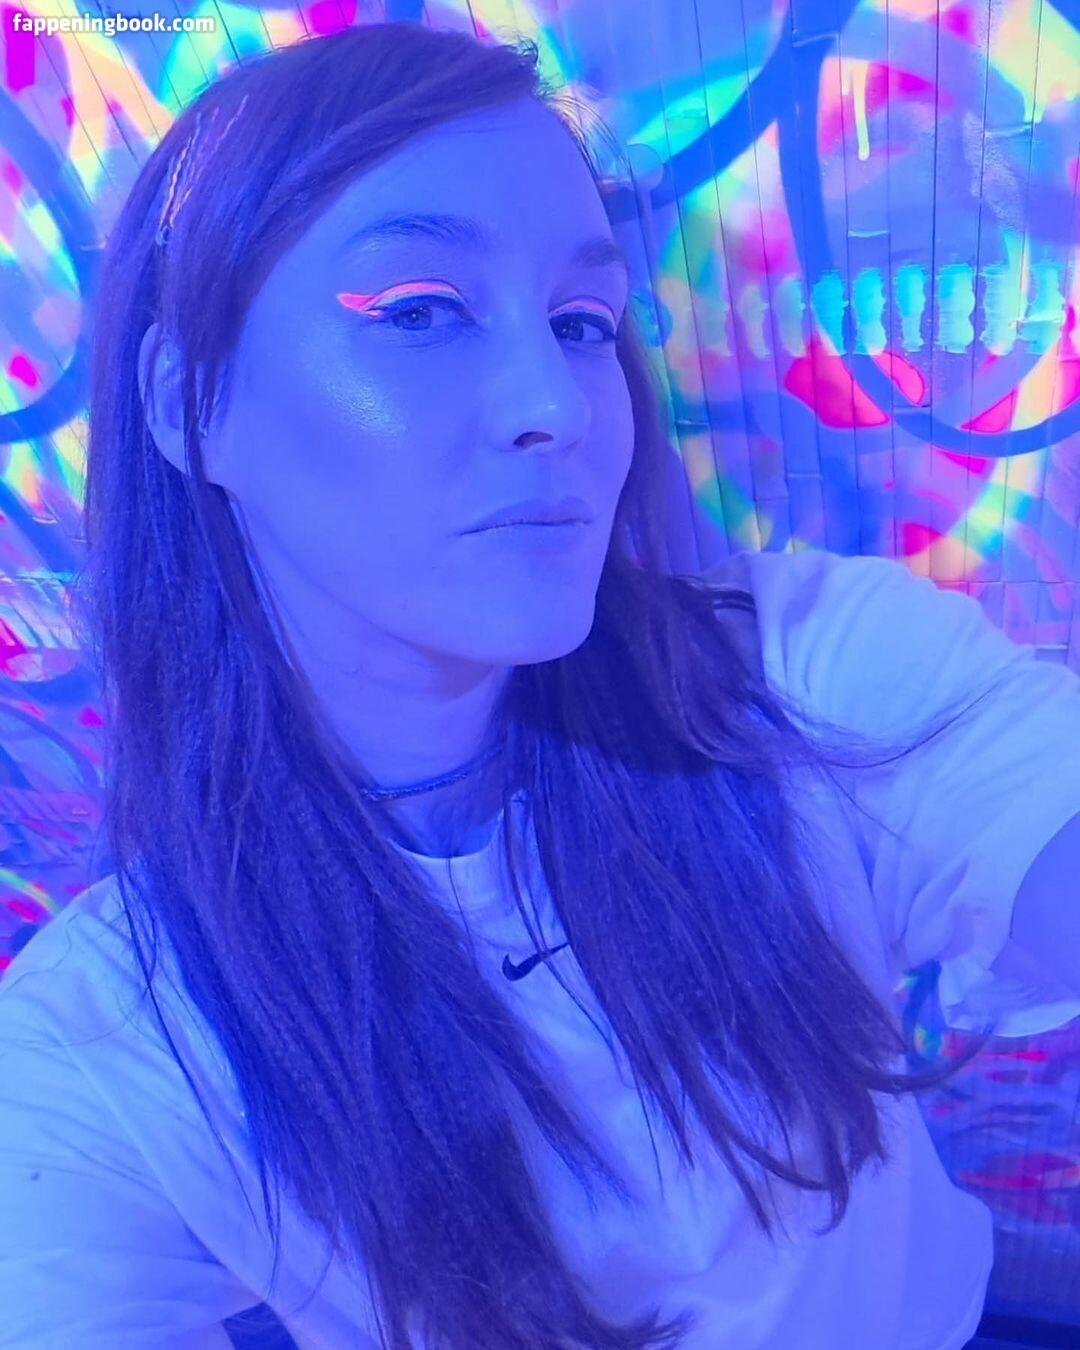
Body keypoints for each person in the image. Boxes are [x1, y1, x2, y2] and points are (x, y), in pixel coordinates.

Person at [0, 21, 1078, 1350]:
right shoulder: (108, 1038)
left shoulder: (794, 674)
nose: (559, 404)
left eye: (581, 324)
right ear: (188, 402)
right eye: (420, 311)